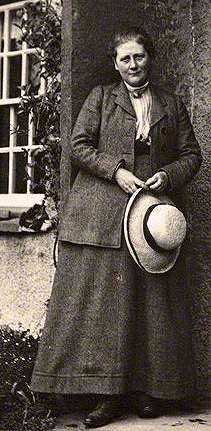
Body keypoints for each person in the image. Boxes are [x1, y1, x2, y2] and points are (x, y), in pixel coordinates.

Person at [31, 27, 202, 428]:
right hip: (105, 209)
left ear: (150, 58)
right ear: (115, 63)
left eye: (139, 57)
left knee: (153, 305)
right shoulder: (100, 98)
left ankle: (149, 392)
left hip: (151, 214)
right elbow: (78, 145)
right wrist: (116, 170)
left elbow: (191, 154)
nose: (132, 65)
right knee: (110, 306)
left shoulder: (171, 103)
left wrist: (168, 175)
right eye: (124, 58)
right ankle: (107, 396)